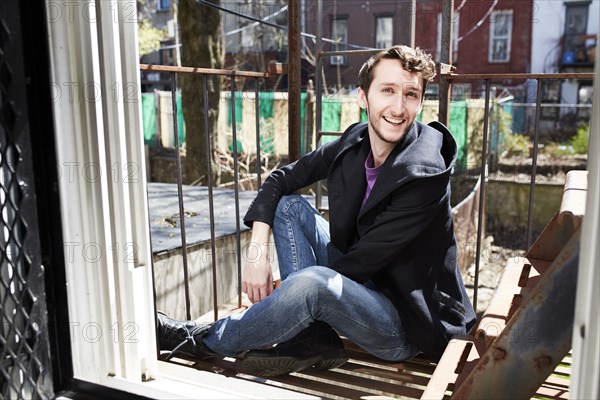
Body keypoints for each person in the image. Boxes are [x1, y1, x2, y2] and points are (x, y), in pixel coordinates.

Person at [158, 45, 476, 376]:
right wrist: (256, 254)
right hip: (364, 285)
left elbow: (358, 263)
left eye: (411, 94)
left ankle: (197, 339)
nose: (398, 107)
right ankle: (311, 339)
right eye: (387, 90)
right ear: (363, 97)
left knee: (312, 285)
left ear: (420, 101)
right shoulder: (356, 140)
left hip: (406, 323)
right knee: (289, 207)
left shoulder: (425, 171)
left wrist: (290, 295)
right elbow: (281, 179)